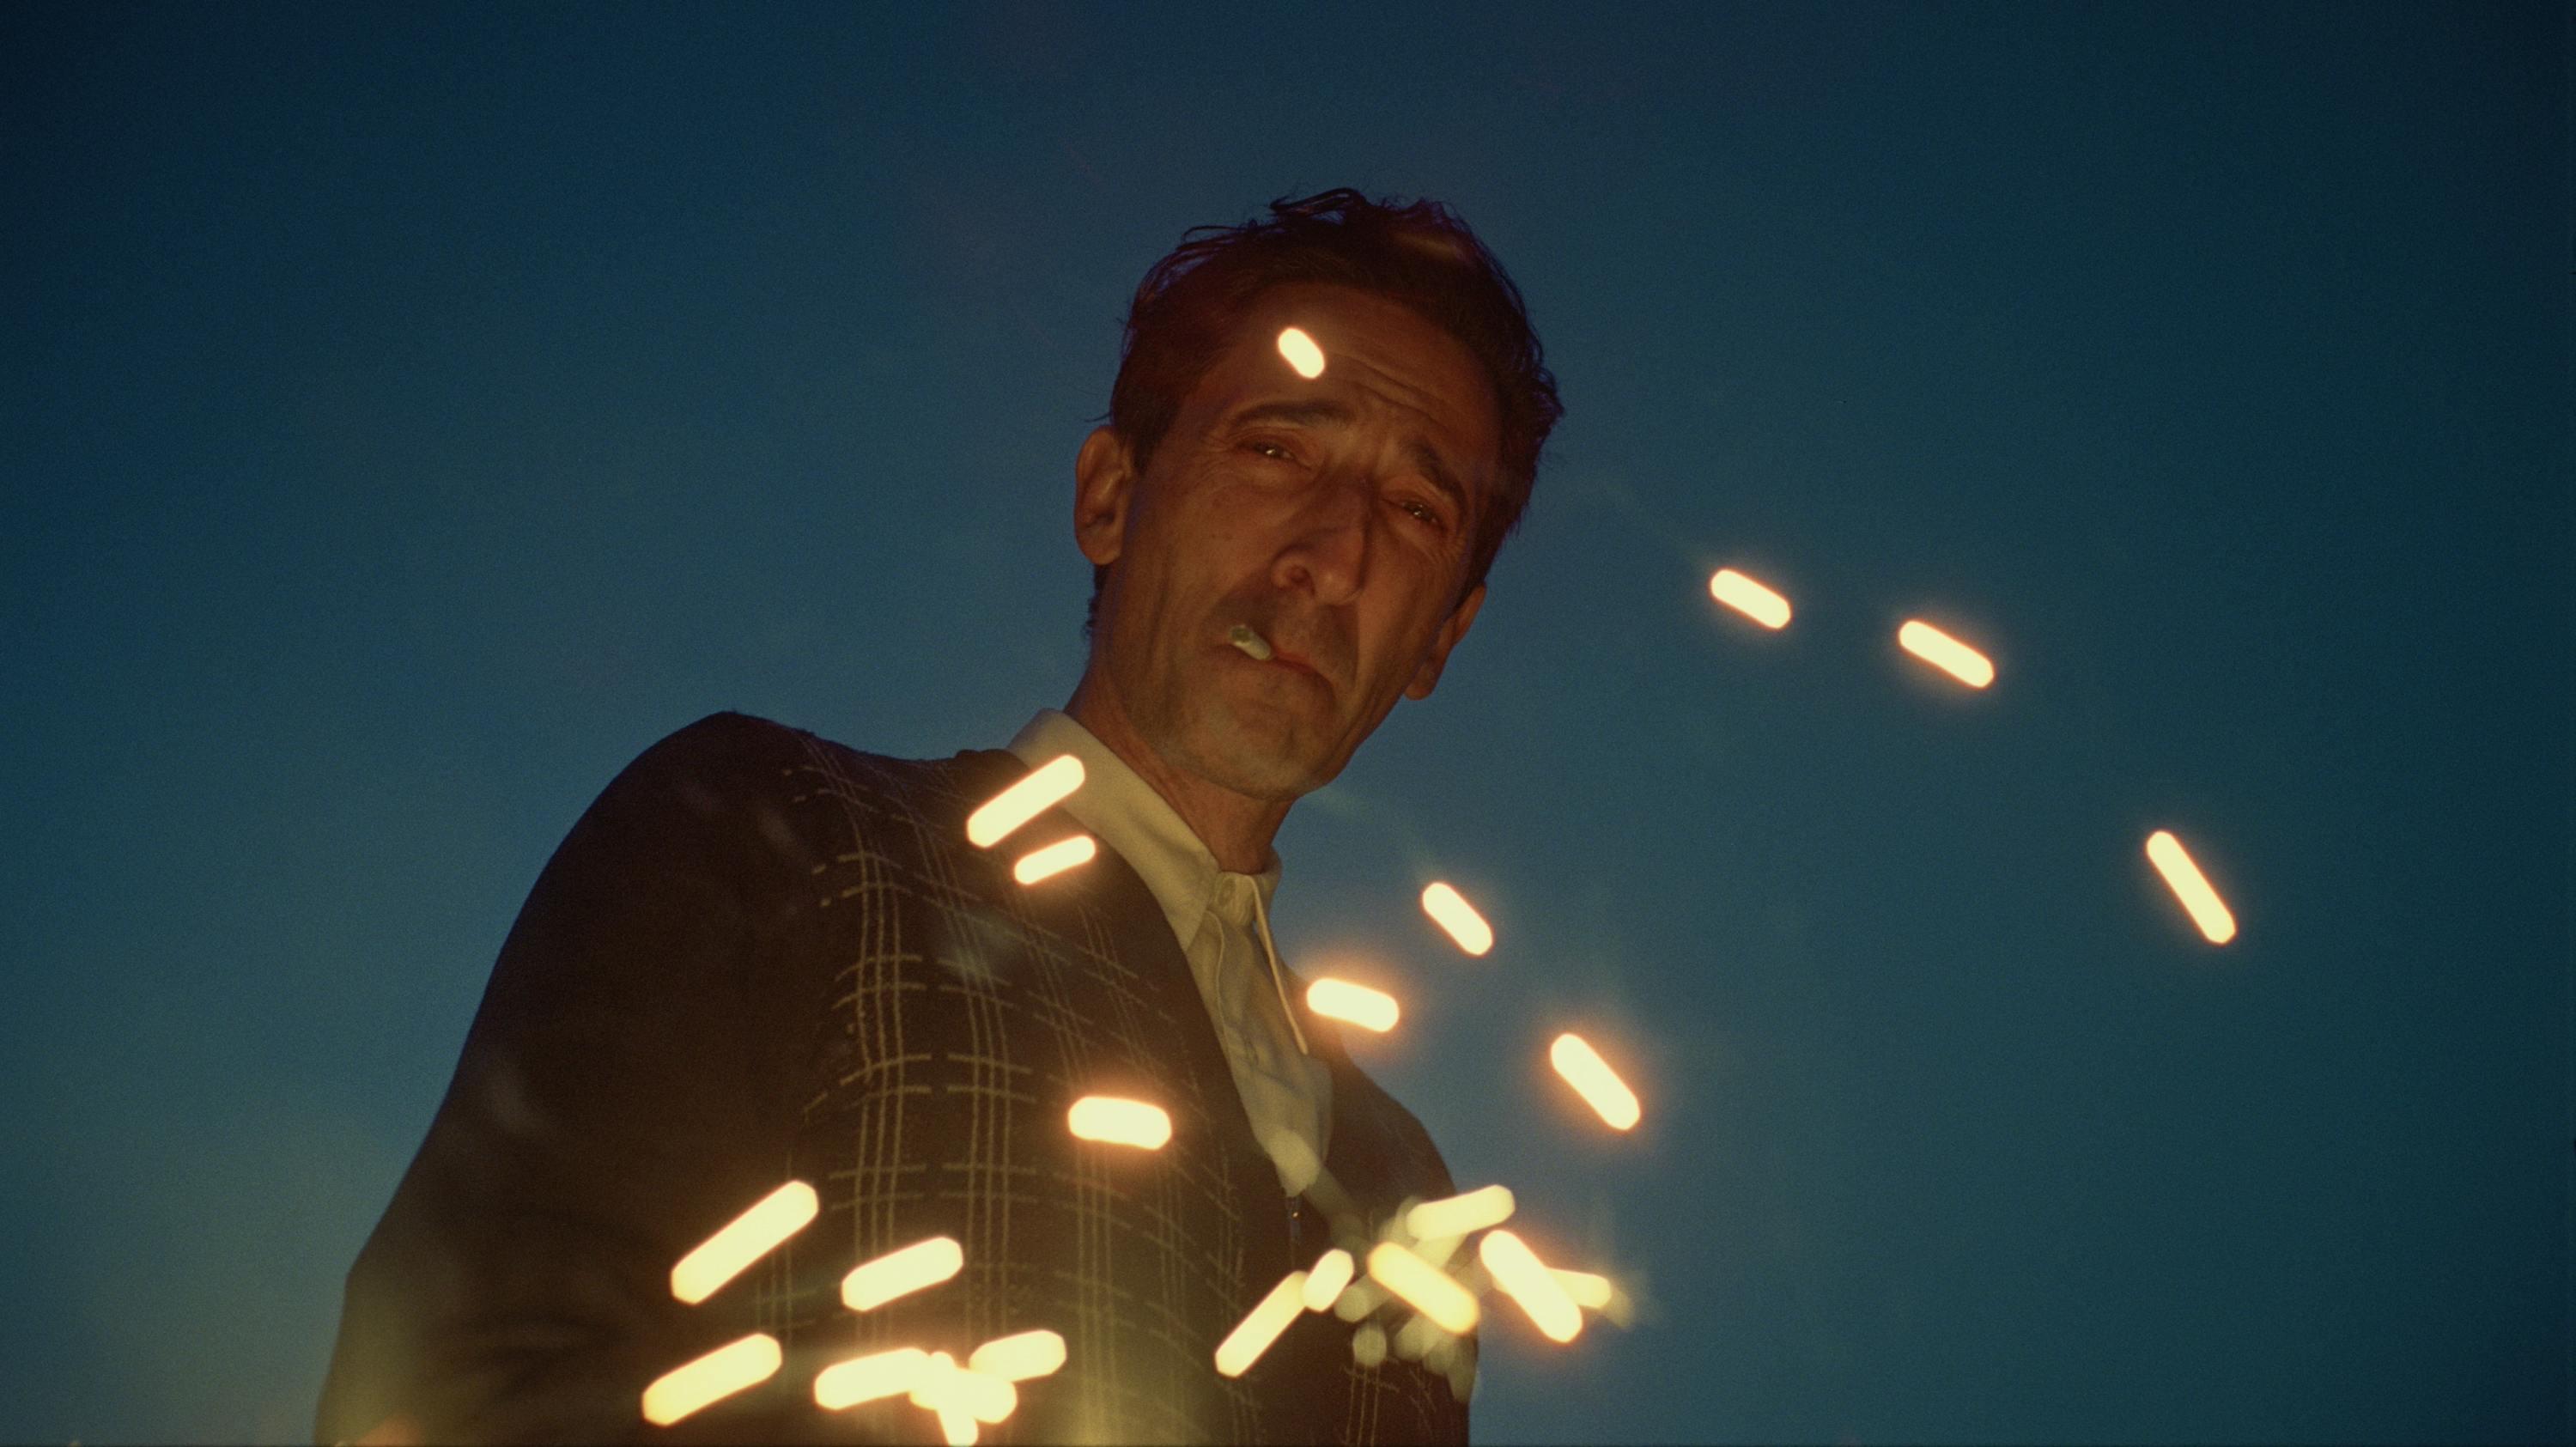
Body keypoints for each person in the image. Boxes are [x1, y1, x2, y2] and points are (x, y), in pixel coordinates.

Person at [314, 187, 1562, 1445]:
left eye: (1416, 510)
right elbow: (466, 1383)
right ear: (1111, 499)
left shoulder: (1407, 1186)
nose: (1333, 555)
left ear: (1439, 638)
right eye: (1278, 449)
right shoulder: (775, 834)